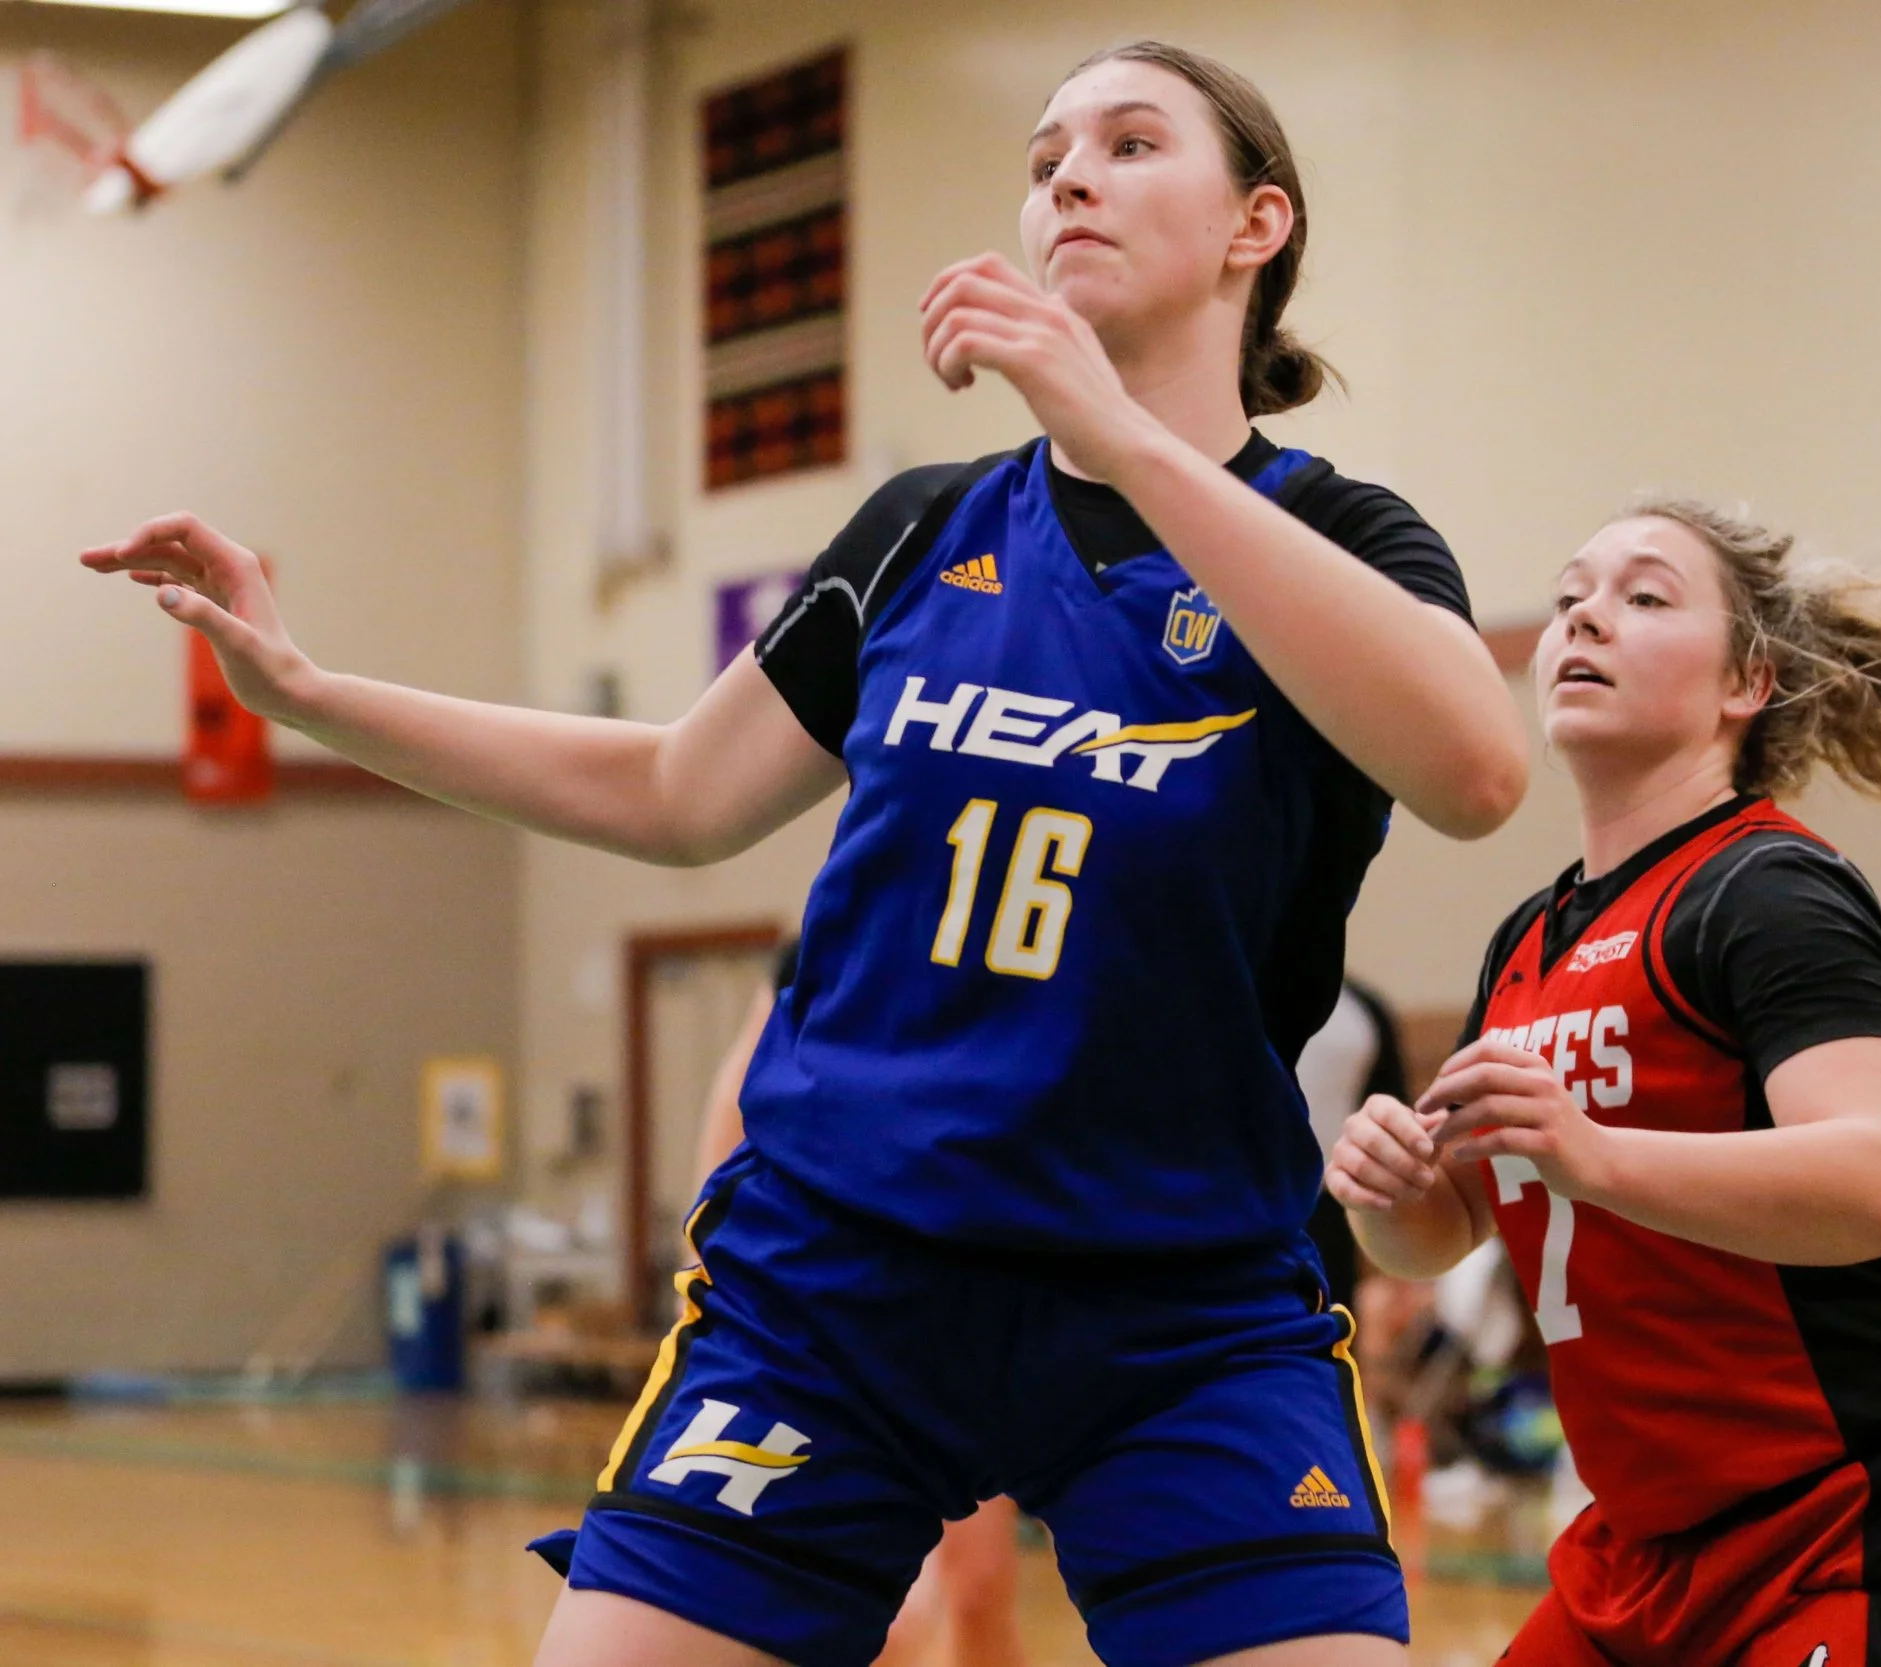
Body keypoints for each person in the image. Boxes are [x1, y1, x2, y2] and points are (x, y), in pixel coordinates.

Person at [84, 39, 1527, 1667]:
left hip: (1179, 1305)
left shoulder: (1345, 541)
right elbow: (671, 794)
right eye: (1048, 150)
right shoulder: (923, 529)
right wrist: (319, 699)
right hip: (838, 1286)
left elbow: (1475, 771)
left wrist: (1125, 442)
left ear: (1257, 226)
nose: (1068, 174)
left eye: (1131, 144)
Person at [1327, 498, 1881, 1666]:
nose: (1586, 615)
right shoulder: (1526, 942)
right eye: (1568, 597)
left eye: (1642, 596)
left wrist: (1589, 1151)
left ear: (1745, 680)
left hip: (1853, 1531)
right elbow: (1445, 1240)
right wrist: (1395, 1194)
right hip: (1638, 1553)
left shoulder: (1768, 890)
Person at [685, 945, 1026, 1666]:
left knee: (980, 1590)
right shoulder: (823, 962)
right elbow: (728, 1136)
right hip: (829, 1332)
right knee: (865, 1612)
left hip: (972, 1325)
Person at [1295, 980, 1408, 1308]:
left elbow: (1391, 1112)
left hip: (1330, 1209)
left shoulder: (1361, 1011)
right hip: (1225, 1208)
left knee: (1331, 1336)